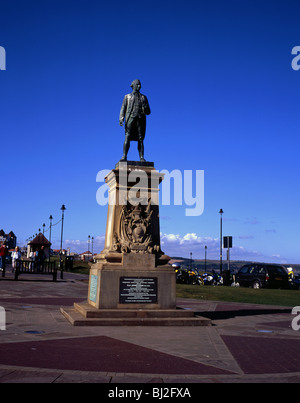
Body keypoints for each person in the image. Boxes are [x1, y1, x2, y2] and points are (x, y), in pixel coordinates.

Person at [119, 79, 151, 162]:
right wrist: (121, 118)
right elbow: (123, 108)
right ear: (133, 86)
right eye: (137, 84)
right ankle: (124, 156)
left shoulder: (144, 97)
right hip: (130, 118)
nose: (139, 86)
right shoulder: (127, 97)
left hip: (140, 119)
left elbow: (149, 112)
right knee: (127, 136)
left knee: (140, 139)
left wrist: (145, 108)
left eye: (140, 84)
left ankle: (141, 157)